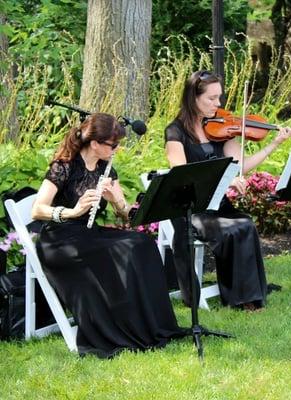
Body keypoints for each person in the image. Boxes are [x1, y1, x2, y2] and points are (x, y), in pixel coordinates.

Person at [32, 113, 185, 358]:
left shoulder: (106, 169)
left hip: (87, 233)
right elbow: (37, 209)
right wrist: (73, 211)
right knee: (118, 251)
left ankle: (147, 324)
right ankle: (118, 327)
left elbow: (127, 217)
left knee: (141, 244)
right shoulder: (64, 166)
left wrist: (117, 201)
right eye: (113, 145)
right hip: (60, 240)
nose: (117, 149)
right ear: (95, 144)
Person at [164, 70, 291, 311]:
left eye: (219, 98)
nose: (218, 104)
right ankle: (243, 297)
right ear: (193, 98)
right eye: (211, 99)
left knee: (245, 223)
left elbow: (240, 166)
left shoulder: (221, 127)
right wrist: (221, 181)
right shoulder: (175, 132)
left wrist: (274, 145)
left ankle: (247, 294)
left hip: (218, 203)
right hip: (192, 207)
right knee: (234, 229)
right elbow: (181, 175)